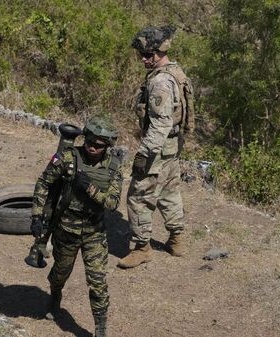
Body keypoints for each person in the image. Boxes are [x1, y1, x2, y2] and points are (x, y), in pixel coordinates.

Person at [31, 117, 123, 337]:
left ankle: (100, 328)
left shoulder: (113, 167)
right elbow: (44, 183)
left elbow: (112, 204)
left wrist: (89, 188)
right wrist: (36, 216)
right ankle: (55, 296)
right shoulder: (68, 158)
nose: (92, 146)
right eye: (89, 141)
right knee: (59, 275)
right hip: (66, 231)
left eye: (99, 145)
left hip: (94, 233)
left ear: (107, 146)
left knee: (98, 282)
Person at [118, 26, 193, 269]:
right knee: (170, 192)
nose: (143, 59)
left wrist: (144, 153)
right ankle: (176, 239)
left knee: (139, 197)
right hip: (172, 146)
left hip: (158, 148)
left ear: (160, 52)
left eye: (148, 54)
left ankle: (142, 248)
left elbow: (160, 123)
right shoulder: (175, 71)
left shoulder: (160, 81)